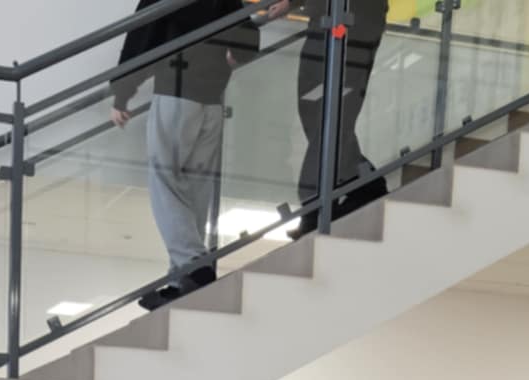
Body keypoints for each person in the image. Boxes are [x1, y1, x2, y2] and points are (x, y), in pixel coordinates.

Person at [111, 0, 274, 309]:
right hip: (212, 100)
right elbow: (244, 25)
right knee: (196, 190)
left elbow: (143, 36)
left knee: (165, 181)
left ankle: (192, 263)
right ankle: (182, 280)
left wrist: (122, 92)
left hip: (177, 91)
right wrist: (240, 53)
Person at [295, 0, 389, 219]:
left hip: (353, 26)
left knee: (333, 118)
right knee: (315, 113)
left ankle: (315, 206)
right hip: (326, 21)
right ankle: (366, 185)